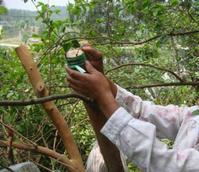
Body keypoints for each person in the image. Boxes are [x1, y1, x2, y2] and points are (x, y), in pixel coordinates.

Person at [66, 45, 199, 172]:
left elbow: (166, 164)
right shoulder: (195, 115)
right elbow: (142, 112)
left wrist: (103, 96)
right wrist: (104, 83)